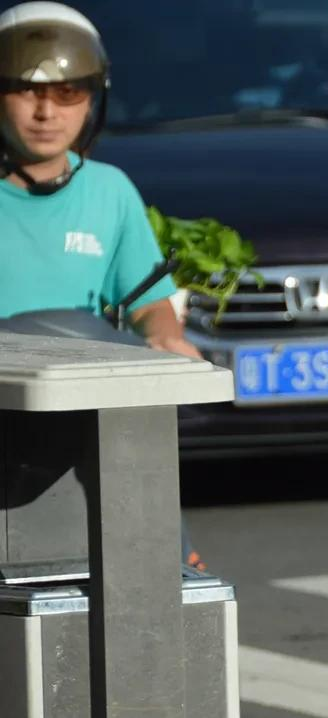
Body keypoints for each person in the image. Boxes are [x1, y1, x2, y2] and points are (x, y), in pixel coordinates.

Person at [0, 1, 205, 569]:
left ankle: (171, 552)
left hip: (84, 423)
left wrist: (163, 338)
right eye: (27, 90)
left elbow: (149, 307)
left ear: (94, 99)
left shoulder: (110, 191)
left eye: (69, 93)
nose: (47, 112)